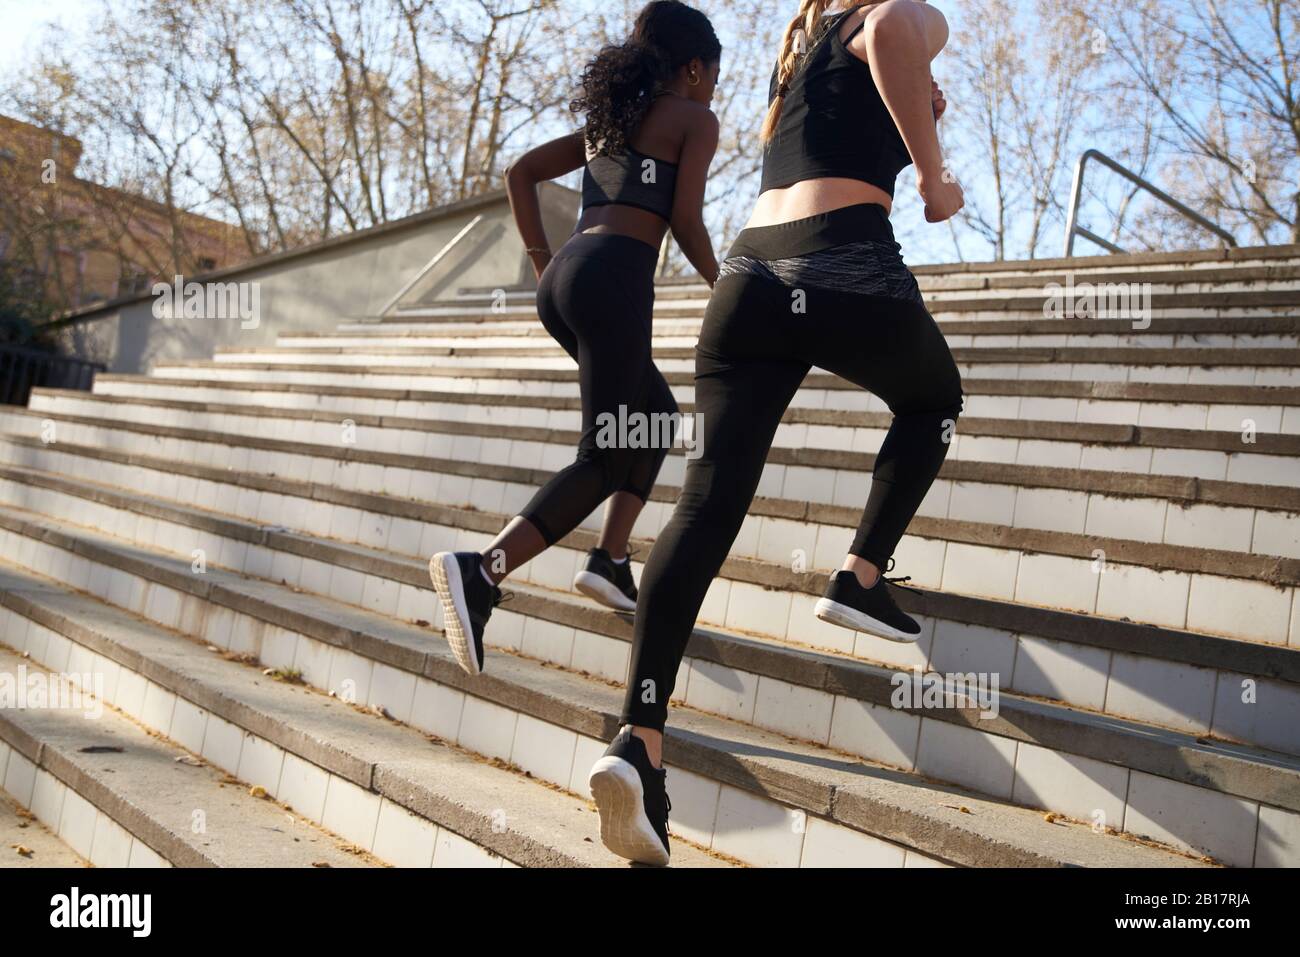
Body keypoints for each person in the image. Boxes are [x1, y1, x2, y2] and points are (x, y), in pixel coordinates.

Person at [590, 0, 965, 866]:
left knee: (705, 505)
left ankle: (639, 738)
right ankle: (860, 572)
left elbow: (878, 75)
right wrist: (935, 176)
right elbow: (909, 29)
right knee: (935, 399)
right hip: (844, 260)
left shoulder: (801, 52)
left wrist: (919, 97)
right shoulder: (892, 14)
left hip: (750, 274)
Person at [428, 1, 721, 681]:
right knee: (605, 452)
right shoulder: (694, 119)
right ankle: (481, 571)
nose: (713, 91)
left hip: (566, 281)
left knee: (653, 417)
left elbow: (521, 172)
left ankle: (610, 558)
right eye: (712, 76)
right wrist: (728, 284)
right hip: (616, 278)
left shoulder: (609, 122)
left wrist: (544, 265)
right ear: (693, 68)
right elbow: (685, 220)